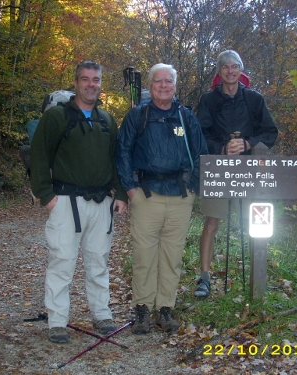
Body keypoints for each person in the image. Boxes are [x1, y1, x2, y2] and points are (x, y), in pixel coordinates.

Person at [29, 61, 128, 343]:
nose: (90, 84)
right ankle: (57, 321)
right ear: (76, 83)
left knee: (99, 262)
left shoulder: (107, 120)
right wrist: (46, 195)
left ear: (100, 84)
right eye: (85, 79)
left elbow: (115, 161)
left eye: (95, 80)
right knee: (62, 261)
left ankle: (102, 314)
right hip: (65, 201)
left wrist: (119, 193)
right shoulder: (57, 117)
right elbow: (39, 156)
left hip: (100, 203)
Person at [116, 63, 208, 334]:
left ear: (175, 86)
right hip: (146, 194)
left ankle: (165, 309)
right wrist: (130, 188)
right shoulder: (137, 115)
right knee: (144, 254)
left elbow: (201, 151)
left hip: (180, 195)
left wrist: (193, 188)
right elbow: (122, 151)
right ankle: (142, 308)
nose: (164, 85)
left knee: (172, 255)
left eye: (169, 81)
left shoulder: (186, 117)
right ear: (150, 85)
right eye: (158, 81)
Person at [194, 50, 278, 298]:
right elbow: (200, 134)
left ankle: (257, 276)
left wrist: (248, 144)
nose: (230, 71)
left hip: (249, 171)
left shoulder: (254, 99)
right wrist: (221, 148)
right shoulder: (209, 100)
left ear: (240, 70)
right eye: (225, 67)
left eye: (235, 67)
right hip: (218, 170)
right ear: (219, 72)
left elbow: (270, 132)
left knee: (255, 221)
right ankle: (205, 278)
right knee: (212, 221)